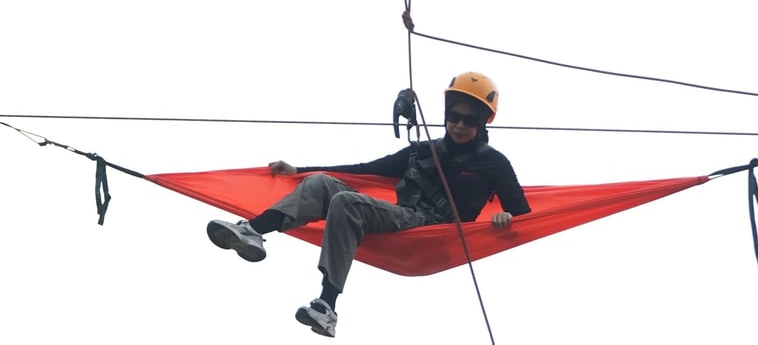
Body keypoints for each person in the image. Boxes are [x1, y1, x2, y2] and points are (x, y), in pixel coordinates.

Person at [206, 71, 530, 338]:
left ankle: (326, 306)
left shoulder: (494, 163)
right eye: (453, 117)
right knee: (322, 183)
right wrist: (300, 171)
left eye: (469, 121)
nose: (459, 125)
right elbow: (366, 169)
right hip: (402, 218)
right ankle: (253, 230)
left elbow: (524, 214)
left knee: (347, 203)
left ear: (483, 123)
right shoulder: (423, 151)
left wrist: (503, 217)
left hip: (434, 230)